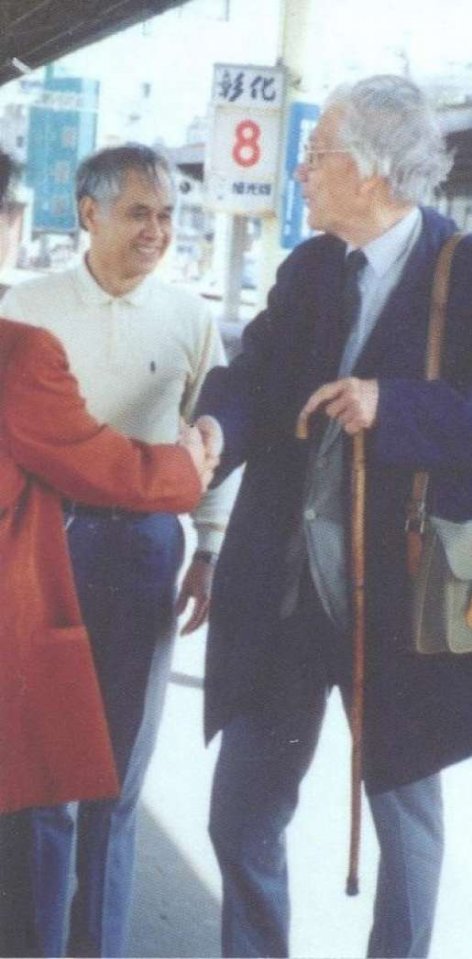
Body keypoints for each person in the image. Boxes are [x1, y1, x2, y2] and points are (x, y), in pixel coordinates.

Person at [195, 75, 472, 958]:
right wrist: (214, 427)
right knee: (240, 816)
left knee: (406, 828)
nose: (300, 172)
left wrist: (392, 405)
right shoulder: (311, 268)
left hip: (401, 603)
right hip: (288, 596)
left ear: (368, 170)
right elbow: (253, 375)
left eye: (314, 154)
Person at [0, 144, 237, 958]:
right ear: (88, 213)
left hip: (144, 553)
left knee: (117, 777)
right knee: (45, 778)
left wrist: (209, 549)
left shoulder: (190, 318)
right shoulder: (26, 310)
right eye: (139, 212)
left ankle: (96, 946)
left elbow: (214, 444)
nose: (157, 230)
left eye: (167, 214)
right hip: (44, 548)